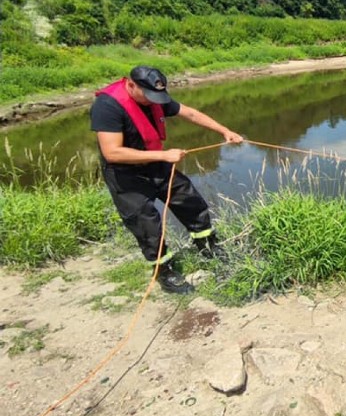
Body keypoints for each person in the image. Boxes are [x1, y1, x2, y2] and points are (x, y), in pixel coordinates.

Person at [91, 66, 244, 294]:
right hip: (125, 173)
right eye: (149, 96)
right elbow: (112, 152)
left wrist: (224, 131)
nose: (154, 101)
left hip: (155, 163)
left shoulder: (153, 97)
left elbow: (190, 113)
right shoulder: (107, 107)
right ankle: (164, 271)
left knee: (188, 199)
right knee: (146, 223)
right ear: (131, 85)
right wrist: (164, 155)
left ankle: (207, 247)